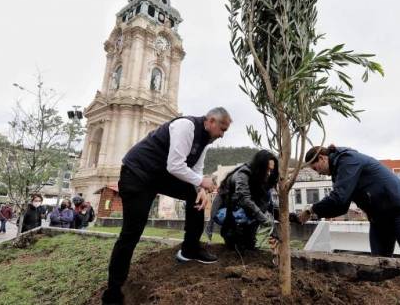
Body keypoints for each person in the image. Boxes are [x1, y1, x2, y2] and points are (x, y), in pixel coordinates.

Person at [101, 107, 232, 305]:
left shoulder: (205, 141)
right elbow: (175, 165)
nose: (222, 135)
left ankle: (190, 249)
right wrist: (201, 182)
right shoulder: (185, 126)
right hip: (137, 173)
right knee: (131, 233)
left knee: (195, 196)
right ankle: (113, 292)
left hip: (160, 176)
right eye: (222, 129)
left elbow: (196, 169)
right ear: (211, 120)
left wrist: (201, 189)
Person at [299, 144, 400, 260]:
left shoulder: (348, 160)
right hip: (379, 217)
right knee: (379, 262)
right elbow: (341, 206)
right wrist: (314, 214)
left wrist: (311, 209)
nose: (319, 173)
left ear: (322, 158)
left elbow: (339, 197)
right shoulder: (338, 172)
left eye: (316, 169)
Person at [207, 150, 279, 252]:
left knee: (249, 247)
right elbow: (244, 200)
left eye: (271, 170)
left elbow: (268, 204)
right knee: (236, 248)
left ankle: (248, 242)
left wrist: (290, 217)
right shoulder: (243, 175)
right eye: (267, 169)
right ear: (260, 167)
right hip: (230, 214)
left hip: (247, 215)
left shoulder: (261, 182)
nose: (269, 173)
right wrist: (265, 221)